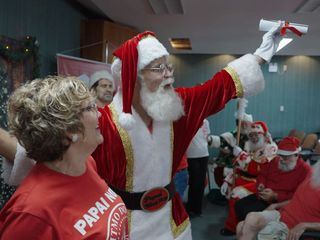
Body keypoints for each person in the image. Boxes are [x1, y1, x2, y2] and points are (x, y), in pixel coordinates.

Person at [1, 25, 283, 239]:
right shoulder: (100, 123)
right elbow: (52, 151)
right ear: (132, 76)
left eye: (167, 67)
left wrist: (260, 55)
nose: (168, 75)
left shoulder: (178, 107)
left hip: (172, 219)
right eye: (157, 69)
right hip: (123, 224)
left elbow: (219, 87)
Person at [0, 76, 128, 239]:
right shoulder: (31, 213)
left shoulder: (87, 163)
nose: (100, 114)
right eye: (90, 107)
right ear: (67, 128)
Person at [220, 121, 278, 235]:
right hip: (251, 179)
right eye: (251, 135)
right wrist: (228, 179)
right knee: (232, 185)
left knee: (236, 193)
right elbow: (238, 166)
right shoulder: (252, 147)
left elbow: (255, 168)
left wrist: (241, 154)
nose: (254, 137)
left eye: (257, 134)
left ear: (265, 135)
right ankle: (237, 222)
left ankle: (232, 227)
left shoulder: (270, 148)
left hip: (264, 182)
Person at [236, 161, 320, 240]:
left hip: (292, 228)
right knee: (247, 220)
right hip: (282, 214)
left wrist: (305, 225)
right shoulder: (313, 173)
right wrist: (276, 205)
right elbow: (298, 199)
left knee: (245, 229)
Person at [235, 136, 311, 223]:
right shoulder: (276, 160)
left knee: (247, 212)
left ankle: (250, 232)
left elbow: (299, 196)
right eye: (280, 156)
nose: (281, 159)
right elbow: (262, 175)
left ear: (296, 155)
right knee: (239, 205)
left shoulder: (305, 170)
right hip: (264, 196)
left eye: (285, 157)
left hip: (281, 203)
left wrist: (276, 195)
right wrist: (261, 184)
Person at [208, 110, 253, 187]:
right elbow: (219, 141)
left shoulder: (252, 140)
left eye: (247, 124)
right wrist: (209, 139)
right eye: (242, 123)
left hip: (243, 168)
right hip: (227, 167)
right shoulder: (229, 136)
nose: (244, 126)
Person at [185, 119, 210, 218]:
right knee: (194, 182)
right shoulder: (191, 118)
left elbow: (206, 137)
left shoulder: (206, 122)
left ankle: (197, 209)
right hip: (191, 154)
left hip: (204, 153)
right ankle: (190, 207)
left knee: (201, 182)